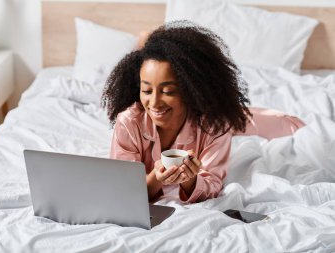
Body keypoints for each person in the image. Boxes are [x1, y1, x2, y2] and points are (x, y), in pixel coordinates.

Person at [101, 21, 305, 204]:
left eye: (168, 91)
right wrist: (156, 177)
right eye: (146, 90)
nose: (154, 103)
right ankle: (145, 38)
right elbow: (123, 189)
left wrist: (190, 181)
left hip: (212, 116)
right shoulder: (129, 121)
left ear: (191, 89)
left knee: (283, 123)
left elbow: (212, 183)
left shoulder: (217, 123)